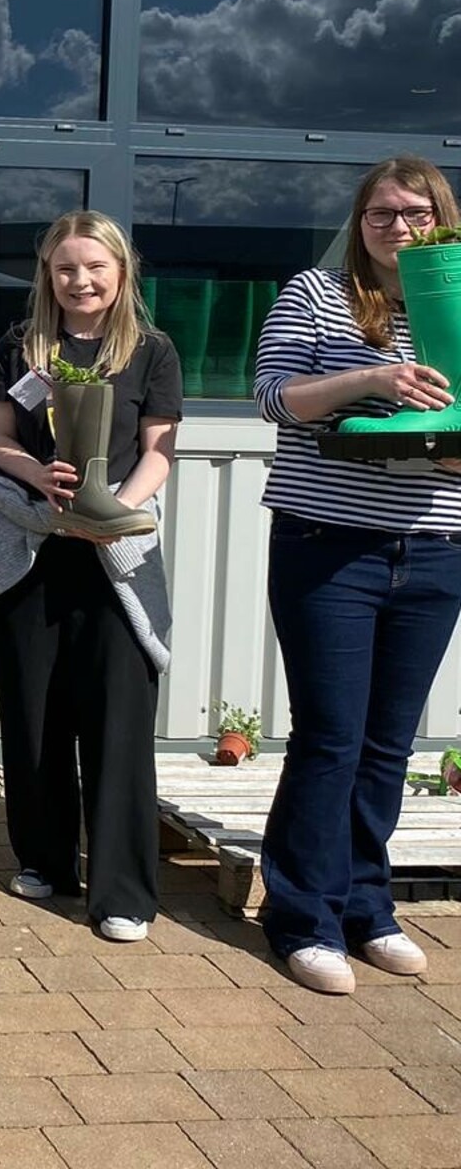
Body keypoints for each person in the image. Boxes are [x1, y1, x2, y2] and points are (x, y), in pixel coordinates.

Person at [253, 156, 461, 995]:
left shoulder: (455, 301)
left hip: (438, 544)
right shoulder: (316, 294)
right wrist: (372, 377)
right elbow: (273, 397)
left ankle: (368, 907)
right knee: (330, 736)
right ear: (360, 219)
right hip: (328, 543)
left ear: (442, 218)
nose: (398, 227)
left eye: (415, 212)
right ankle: (303, 917)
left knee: (388, 742)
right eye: (380, 213)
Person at [0, 211, 181, 942]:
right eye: (66, 268)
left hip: (113, 556)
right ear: (48, 276)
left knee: (117, 718)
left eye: (94, 266)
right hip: (30, 550)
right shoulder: (23, 346)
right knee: (35, 713)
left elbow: (158, 451)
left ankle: (123, 890)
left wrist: (112, 507)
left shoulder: (149, 351)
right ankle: (45, 860)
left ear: (120, 272)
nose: (80, 280)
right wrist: (40, 474)